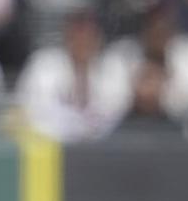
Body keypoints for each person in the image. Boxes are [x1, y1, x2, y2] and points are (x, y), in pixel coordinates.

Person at [15, 9, 129, 142]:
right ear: (67, 37)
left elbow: (115, 112)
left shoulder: (113, 67)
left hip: (105, 148)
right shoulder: (44, 64)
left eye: (89, 36)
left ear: (98, 39)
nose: (82, 42)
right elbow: (36, 111)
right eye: (77, 35)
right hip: (52, 145)